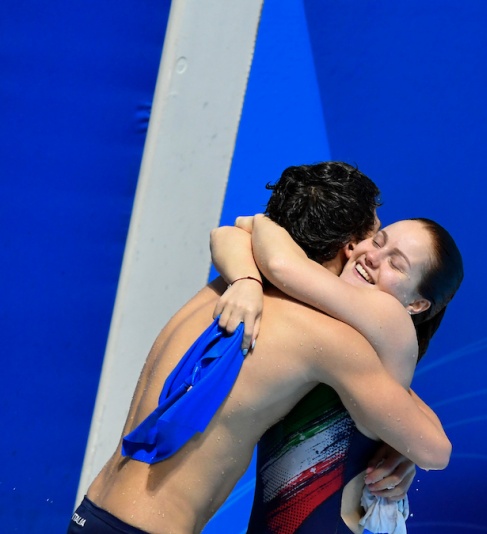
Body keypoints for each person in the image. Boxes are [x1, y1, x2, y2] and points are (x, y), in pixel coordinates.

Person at [70, 162, 455, 534]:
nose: (368, 253)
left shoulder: (226, 286)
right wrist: (402, 446)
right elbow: (432, 447)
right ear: (348, 244)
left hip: (92, 512)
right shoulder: (322, 337)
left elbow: (237, 236)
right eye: (375, 237)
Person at [210, 212, 463, 533]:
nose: (372, 256)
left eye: (396, 265)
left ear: (416, 305)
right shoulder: (350, 348)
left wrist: (257, 226)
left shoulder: (388, 320)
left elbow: (277, 262)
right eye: (378, 240)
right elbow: (227, 236)